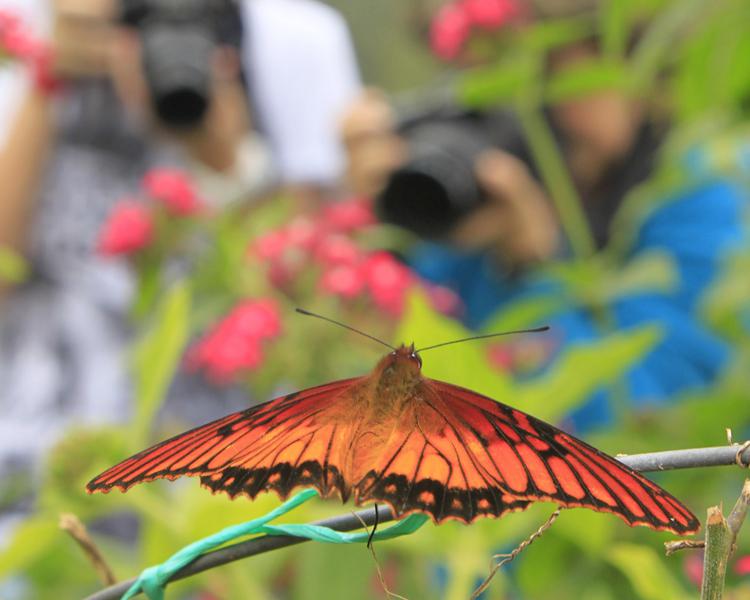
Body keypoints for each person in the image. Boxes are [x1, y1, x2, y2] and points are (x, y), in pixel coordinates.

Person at [340, 1, 749, 432]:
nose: (517, 110)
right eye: (481, 80)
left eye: (545, 66)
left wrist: (529, 268)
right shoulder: (477, 198)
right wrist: (378, 224)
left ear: (627, 54)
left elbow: (646, 427)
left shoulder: (711, 188)